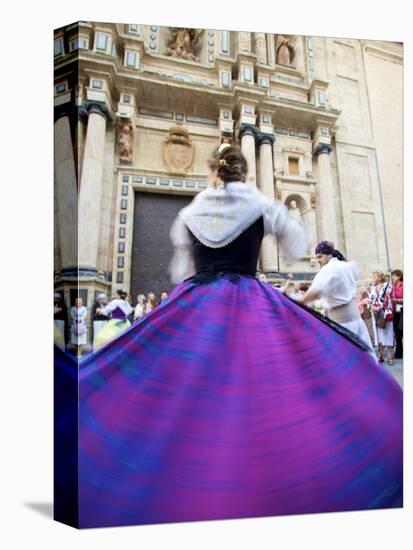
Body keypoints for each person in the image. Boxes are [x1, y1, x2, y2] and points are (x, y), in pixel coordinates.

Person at [74, 143, 402, 528]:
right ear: (245, 172)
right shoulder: (261, 203)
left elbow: (182, 271)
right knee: (271, 381)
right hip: (251, 300)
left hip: (197, 304)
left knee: (192, 388)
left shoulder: (190, 211)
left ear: (213, 172)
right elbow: (297, 245)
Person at [300, 241, 376, 362]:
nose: (318, 260)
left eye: (320, 256)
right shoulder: (347, 266)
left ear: (329, 255)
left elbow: (315, 292)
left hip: (343, 324)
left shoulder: (329, 270)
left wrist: (297, 302)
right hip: (355, 321)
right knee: (365, 361)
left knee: (343, 364)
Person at [369, 272, 395, 365]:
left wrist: (380, 307)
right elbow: (370, 299)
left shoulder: (388, 286)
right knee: (378, 334)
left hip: (385, 312)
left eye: (375, 276)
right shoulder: (372, 287)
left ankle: (390, 356)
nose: (373, 278)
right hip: (375, 313)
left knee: (387, 333)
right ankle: (380, 355)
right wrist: (371, 306)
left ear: (380, 277)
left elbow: (389, 298)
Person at [391, 269, 403, 359]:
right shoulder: (393, 286)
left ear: (399, 276)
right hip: (395, 312)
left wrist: (397, 300)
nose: (392, 277)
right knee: (397, 332)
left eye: (394, 276)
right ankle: (398, 352)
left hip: (403, 310)